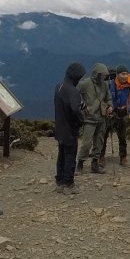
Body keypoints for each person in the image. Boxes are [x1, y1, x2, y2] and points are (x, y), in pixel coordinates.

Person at [54, 62, 87, 194]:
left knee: (61, 154)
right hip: (70, 129)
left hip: (60, 127)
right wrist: (81, 120)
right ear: (75, 76)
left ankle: (60, 181)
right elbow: (75, 109)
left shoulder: (59, 87)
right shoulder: (73, 91)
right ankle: (69, 184)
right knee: (70, 156)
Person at [76, 63, 111, 174]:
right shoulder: (86, 83)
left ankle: (95, 164)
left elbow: (108, 97)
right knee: (87, 143)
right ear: (97, 74)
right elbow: (75, 92)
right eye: (103, 74)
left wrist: (110, 106)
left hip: (102, 117)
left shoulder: (105, 85)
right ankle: (80, 163)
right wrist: (82, 104)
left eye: (105, 75)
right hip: (89, 118)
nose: (104, 76)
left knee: (99, 142)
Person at [110, 65, 130, 166]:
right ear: (117, 75)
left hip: (122, 112)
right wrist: (109, 108)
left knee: (122, 136)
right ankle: (100, 156)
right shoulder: (111, 84)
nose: (125, 76)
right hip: (112, 111)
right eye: (123, 74)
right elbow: (108, 97)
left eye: (126, 74)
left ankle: (123, 156)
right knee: (104, 134)